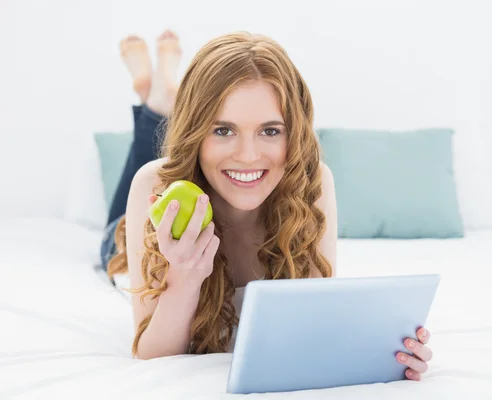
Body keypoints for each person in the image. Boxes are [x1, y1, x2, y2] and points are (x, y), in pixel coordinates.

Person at [101, 29, 433, 381]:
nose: (248, 155)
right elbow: (152, 358)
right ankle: (156, 100)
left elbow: (317, 326)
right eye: (223, 130)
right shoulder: (154, 185)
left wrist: (392, 352)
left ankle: (159, 94)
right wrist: (183, 279)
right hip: (126, 236)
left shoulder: (312, 183)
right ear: (196, 133)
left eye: (271, 131)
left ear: (296, 133)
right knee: (129, 201)